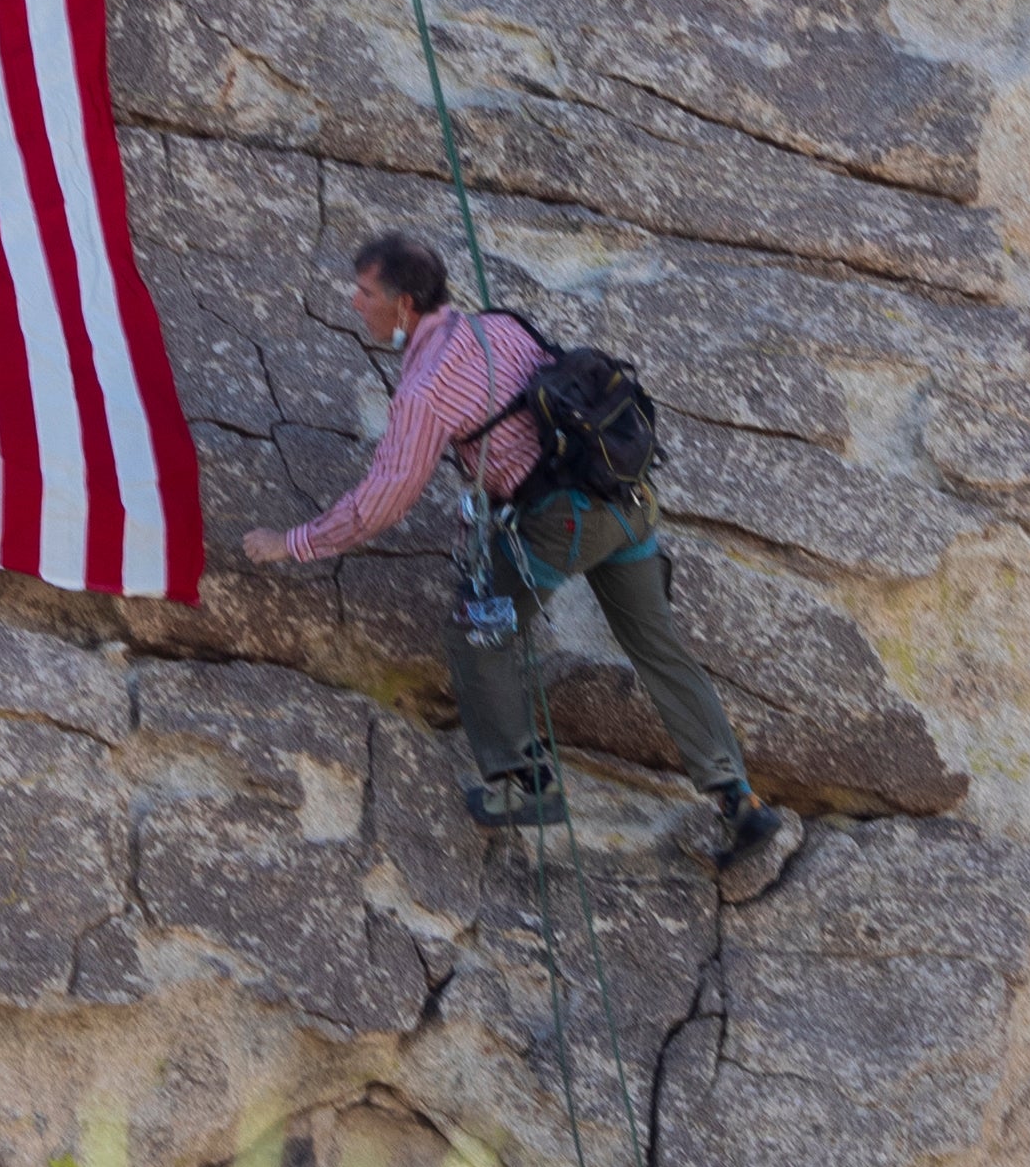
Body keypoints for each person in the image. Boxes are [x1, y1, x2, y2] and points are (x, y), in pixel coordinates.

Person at [241, 229, 802, 895]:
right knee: (657, 647)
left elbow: (383, 502)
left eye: (366, 292)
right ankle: (739, 801)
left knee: (478, 631)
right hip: (628, 500)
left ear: (405, 303)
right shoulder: (498, 325)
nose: (354, 301)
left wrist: (294, 543)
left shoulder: (424, 389)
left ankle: (524, 782)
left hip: (561, 523)